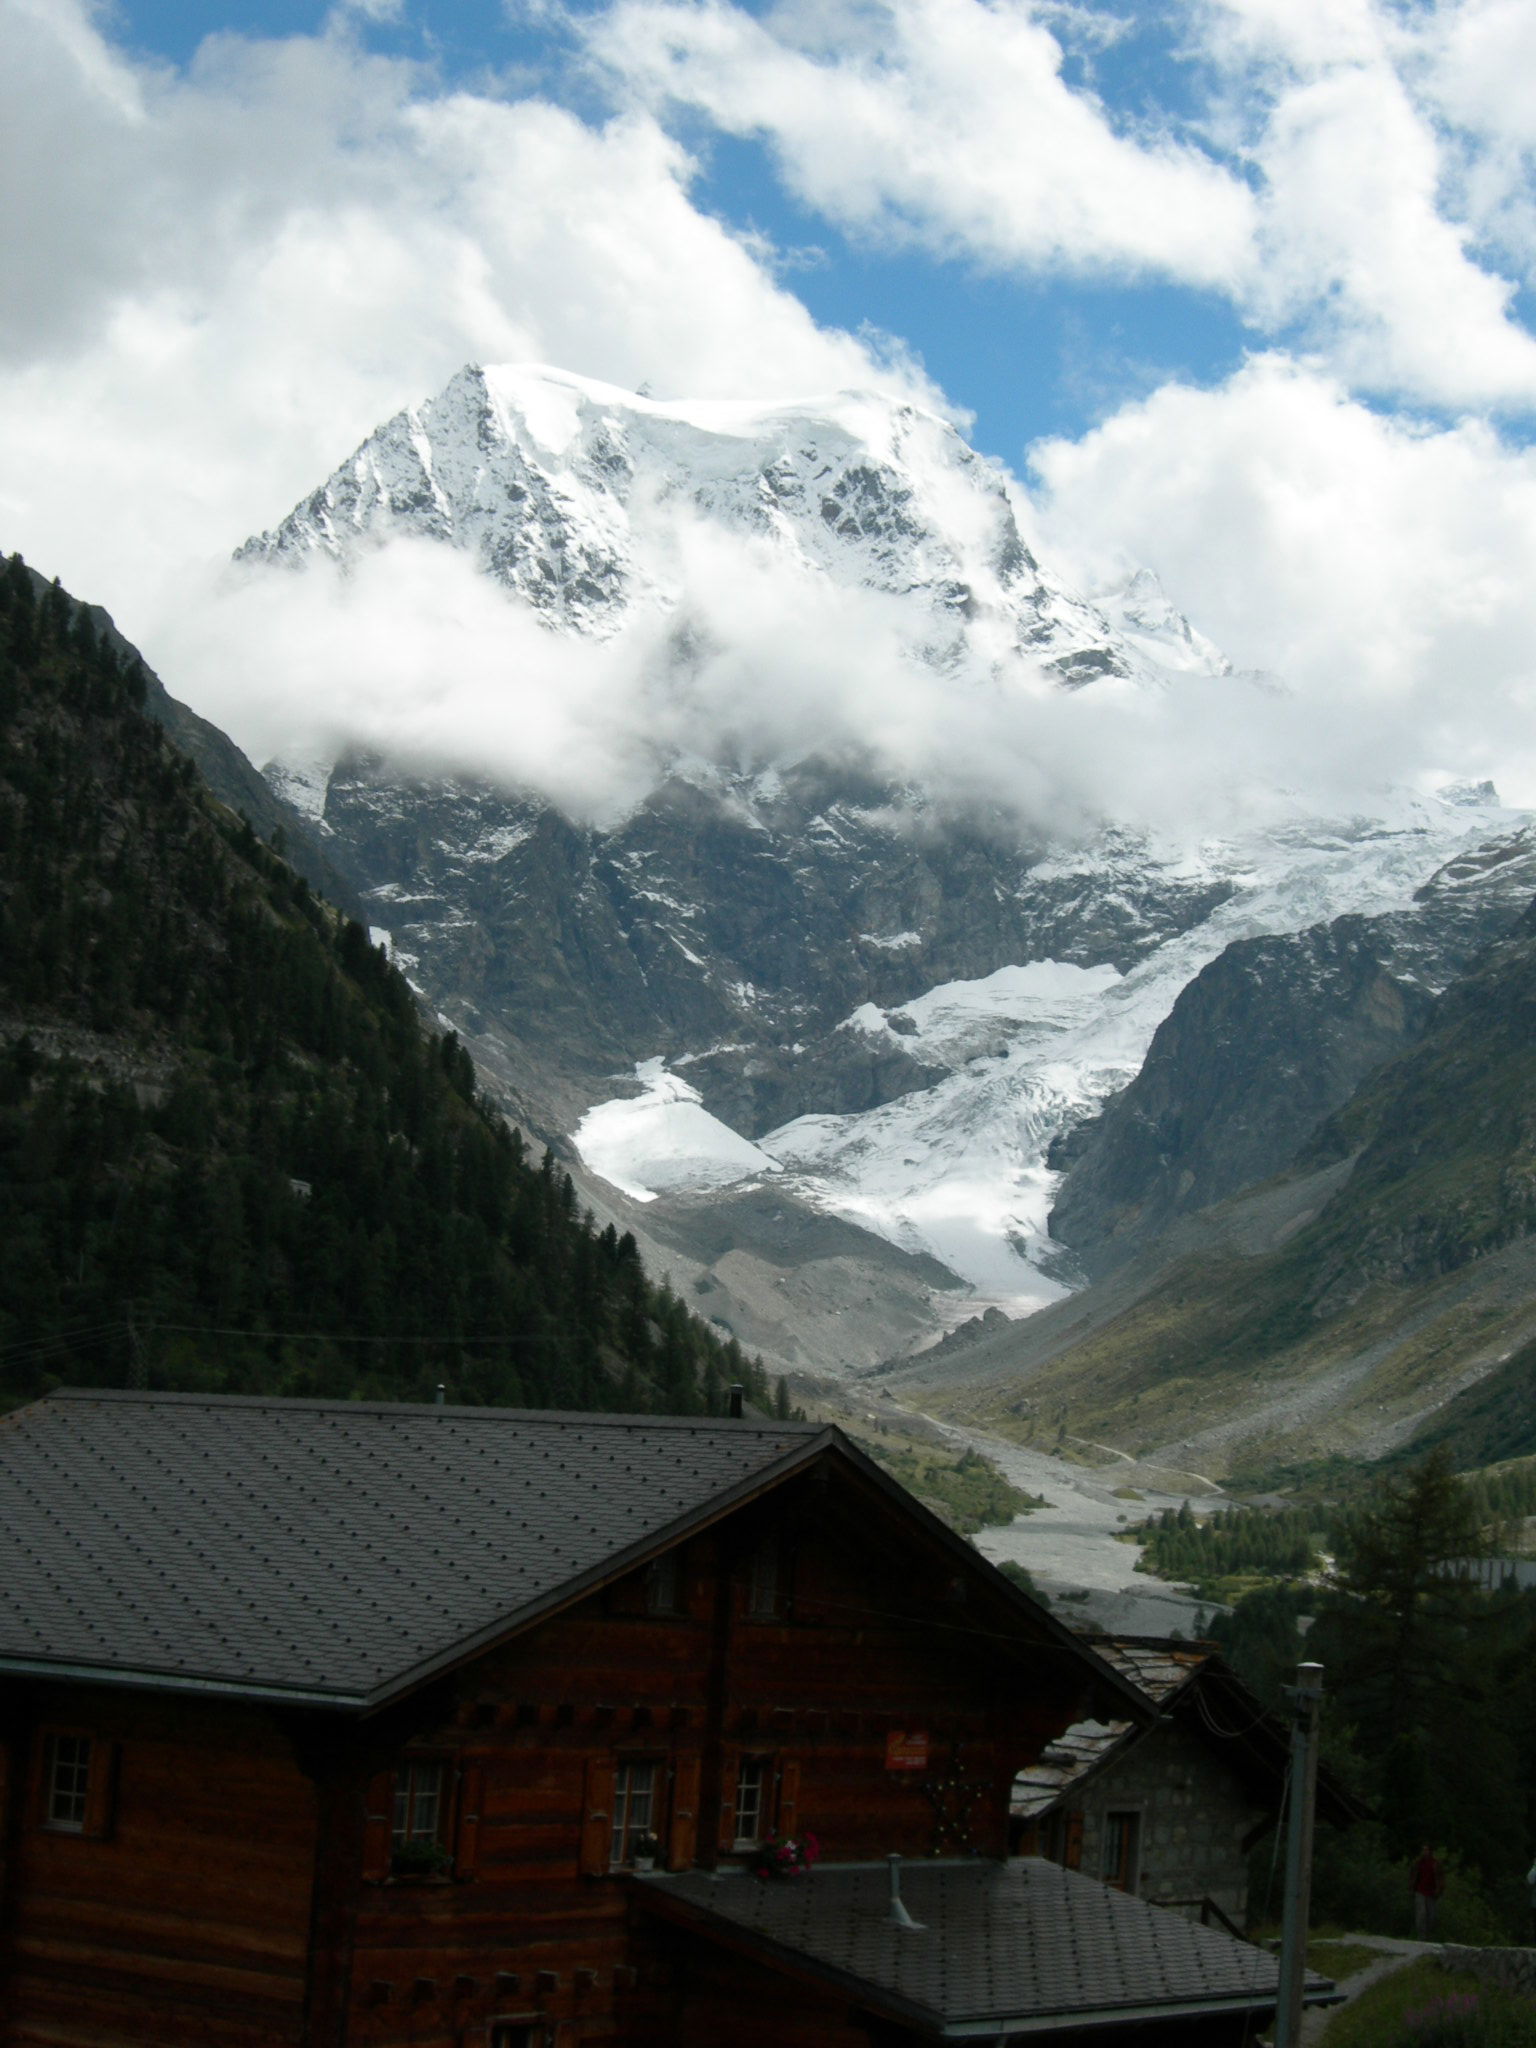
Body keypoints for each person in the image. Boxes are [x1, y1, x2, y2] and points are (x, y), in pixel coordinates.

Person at [1410, 1844, 1444, 1939]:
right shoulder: (1418, 1863)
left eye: (1426, 1850)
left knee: (1431, 1916)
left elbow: (1441, 1878)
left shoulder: (1436, 1864)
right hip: (1420, 1890)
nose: (1425, 1852)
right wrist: (1411, 1888)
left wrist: (1439, 1889)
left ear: (1430, 1851)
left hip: (1431, 1892)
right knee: (1421, 1913)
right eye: (1423, 1850)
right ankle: (1421, 1936)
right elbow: (1412, 1875)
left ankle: (1429, 1935)